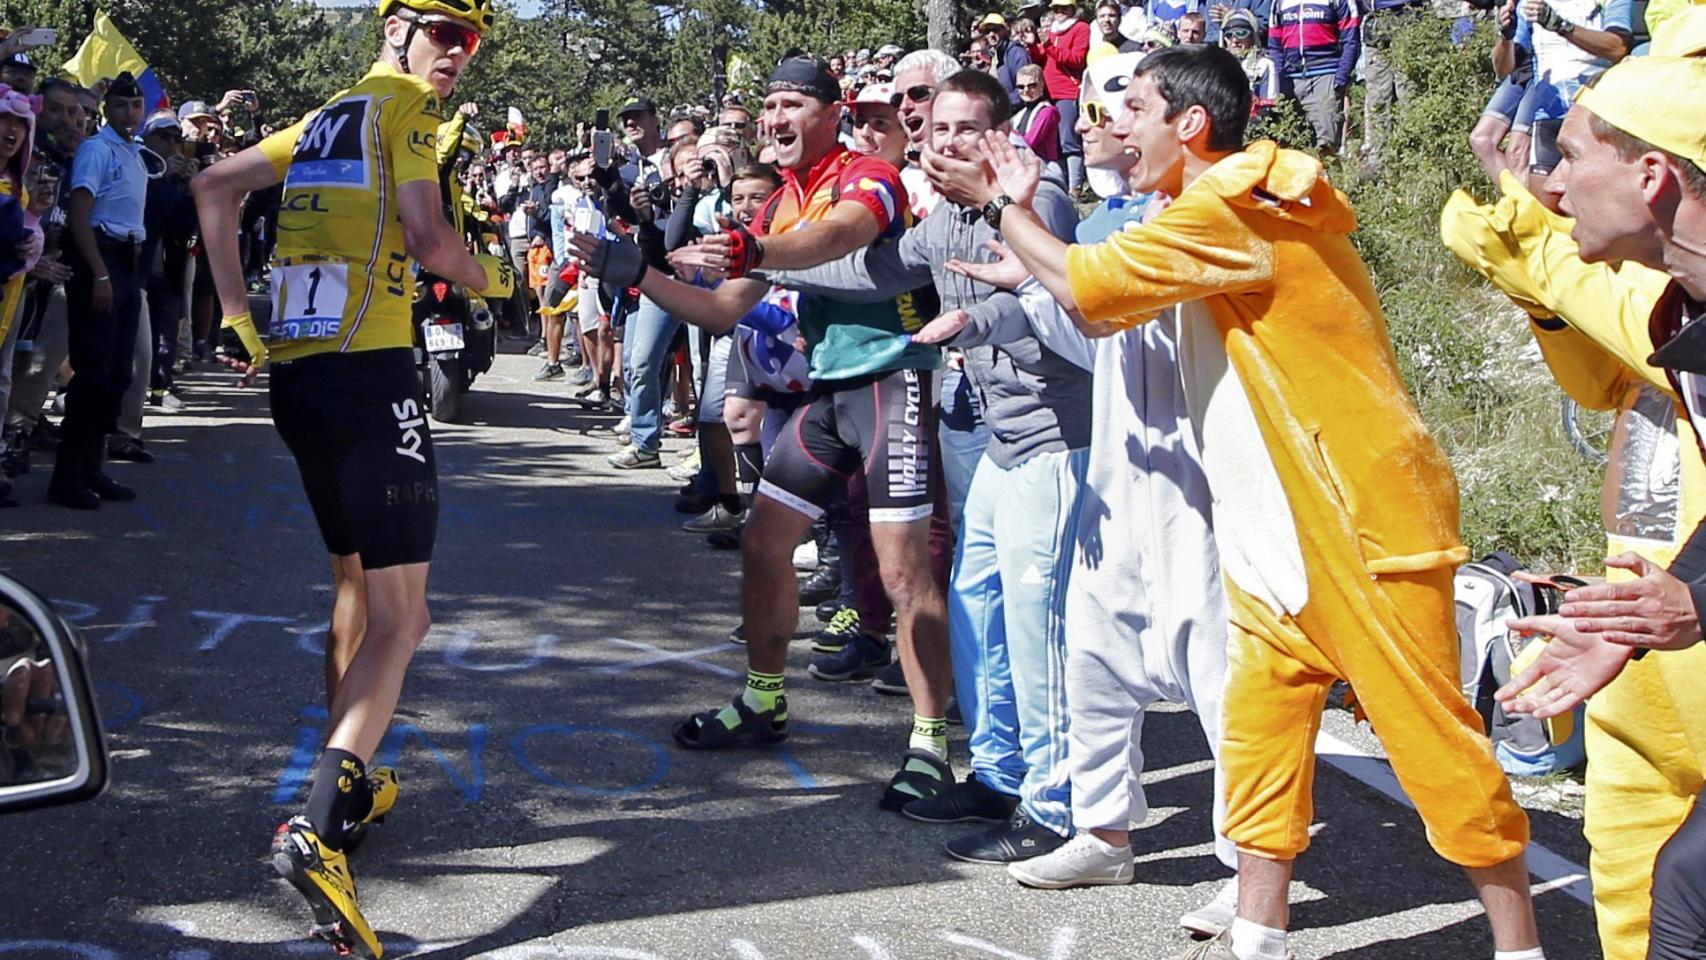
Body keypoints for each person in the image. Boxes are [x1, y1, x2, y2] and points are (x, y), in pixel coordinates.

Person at [951, 44, 1543, 960]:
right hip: (1277, 527)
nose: (1110, 125)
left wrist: (1004, 206)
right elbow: (1105, 308)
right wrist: (1027, 256)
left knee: (1437, 749)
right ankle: (1258, 938)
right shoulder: (1204, 210)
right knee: (1261, 752)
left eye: (1132, 108)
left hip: (1361, 519)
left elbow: (1087, 283)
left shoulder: (1239, 204)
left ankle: (1521, 948)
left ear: (1190, 124)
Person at [190, 1, 513, 955]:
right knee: (406, 618)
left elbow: (213, 185)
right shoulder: (407, 106)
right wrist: (496, 276)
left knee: (354, 587)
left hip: (301, 382)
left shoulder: (330, 112)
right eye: (442, 32)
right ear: (397, 33)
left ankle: (346, 781)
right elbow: (429, 240)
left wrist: (238, 316)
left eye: (470, 40)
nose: (455, 53)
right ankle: (320, 830)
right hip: (372, 379)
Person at [569, 56, 959, 811]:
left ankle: (932, 742)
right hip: (829, 393)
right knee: (762, 539)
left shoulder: (866, 173)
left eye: (791, 105)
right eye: (769, 106)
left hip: (892, 381)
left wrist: (761, 251)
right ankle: (763, 700)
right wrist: (638, 273)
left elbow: (843, 236)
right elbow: (721, 311)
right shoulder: (779, 200)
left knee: (905, 572)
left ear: (831, 112)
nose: (776, 119)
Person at [1438, 14, 1706, 956]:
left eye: (1573, 152)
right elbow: (1602, 376)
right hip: (1645, 592)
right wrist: (1540, 289)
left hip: (1687, 615)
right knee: (1637, 884)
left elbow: (1647, 322)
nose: (1553, 173)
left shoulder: (1673, 114)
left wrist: (1532, 247)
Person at [771, 68, 1086, 862]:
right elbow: (875, 271)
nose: (943, 142)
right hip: (994, 433)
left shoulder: (1033, 202)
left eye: (963, 129)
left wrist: (972, 322)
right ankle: (997, 770)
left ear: (1001, 137)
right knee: (977, 607)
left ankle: (1052, 804)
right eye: (936, 129)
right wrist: (761, 256)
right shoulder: (944, 216)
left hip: (1051, 438)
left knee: (1032, 620)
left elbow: (1052, 297)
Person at [47, 71, 149, 511]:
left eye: (137, 105)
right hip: (102, 256)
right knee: (92, 373)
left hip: (129, 256)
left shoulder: (134, 152)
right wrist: (100, 274)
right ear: (108, 109)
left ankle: (92, 467)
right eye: (123, 105)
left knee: (116, 375)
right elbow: (79, 215)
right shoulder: (96, 149)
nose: (130, 113)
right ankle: (67, 478)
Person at [1268, 0, 1360, 154]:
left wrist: (1341, 78)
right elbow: (1274, 45)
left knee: (1327, 147)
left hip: (1325, 76)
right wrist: (1279, 79)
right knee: (1292, 148)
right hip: (1290, 80)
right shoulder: (1279, 3)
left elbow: (1351, 39)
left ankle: (1332, 178)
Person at [1039, 0, 1092, 192]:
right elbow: (1042, 58)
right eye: (1056, 8)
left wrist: (1049, 46)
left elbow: (1077, 59)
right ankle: (1060, 184)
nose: (1060, 11)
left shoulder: (1080, 28)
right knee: (1053, 143)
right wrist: (1033, 46)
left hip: (1067, 92)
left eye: (1064, 8)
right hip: (1048, 92)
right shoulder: (1052, 30)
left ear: (1073, 9)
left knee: (1068, 140)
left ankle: (1075, 187)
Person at [1012, 64, 1063, 181]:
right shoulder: (1020, 114)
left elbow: (1029, 142)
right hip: (1024, 166)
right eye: (1021, 87)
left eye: (1032, 86)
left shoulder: (1048, 111)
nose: (1026, 90)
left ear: (1041, 86)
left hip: (1045, 168)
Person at [981, 12, 1036, 106]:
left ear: (1005, 30)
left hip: (1015, 109)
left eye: (995, 30)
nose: (991, 34)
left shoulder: (1016, 53)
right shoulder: (994, 54)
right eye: (987, 31)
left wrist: (1003, 104)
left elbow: (1025, 88)